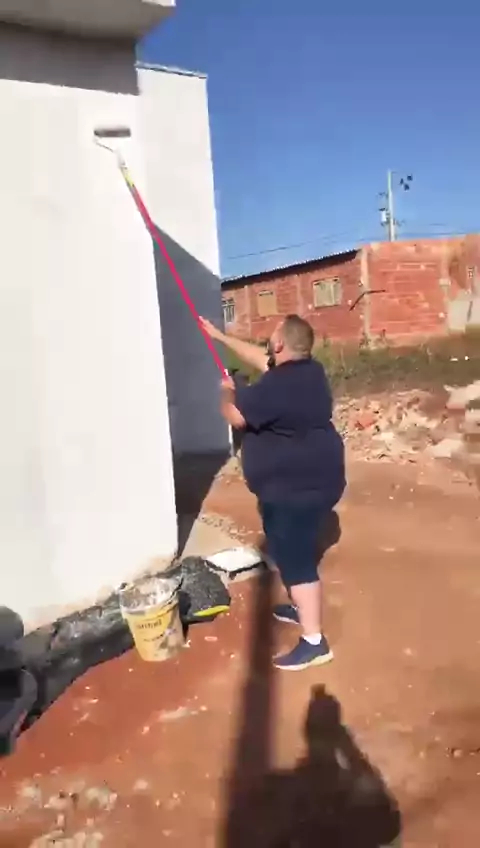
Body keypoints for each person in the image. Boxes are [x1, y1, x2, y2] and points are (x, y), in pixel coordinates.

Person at [200, 314, 345, 671]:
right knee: (290, 547)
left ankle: (314, 642)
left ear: (280, 344)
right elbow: (260, 358)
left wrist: (226, 388)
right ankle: (300, 606)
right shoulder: (308, 371)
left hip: (295, 489)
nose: (267, 343)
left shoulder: (276, 388)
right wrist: (219, 336)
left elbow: (235, 415)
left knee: (296, 561)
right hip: (317, 481)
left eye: (272, 337)